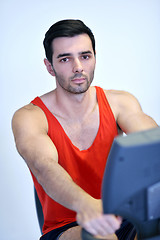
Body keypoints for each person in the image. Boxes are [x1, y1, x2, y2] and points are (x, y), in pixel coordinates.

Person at [12, 19, 158, 240]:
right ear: (49, 66)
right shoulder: (29, 117)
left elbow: (153, 146)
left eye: (85, 56)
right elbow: (44, 167)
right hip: (66, 227)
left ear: (94, 58)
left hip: (123, 217)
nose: (78, 66)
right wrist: (88, 206)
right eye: (65, 58)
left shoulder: (120, 102)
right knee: (102, 236)